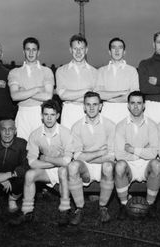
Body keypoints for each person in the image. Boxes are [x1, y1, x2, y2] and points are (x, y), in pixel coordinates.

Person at [10, 100, 73, 226]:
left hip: (66, 170)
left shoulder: (66, 132)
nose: (49, 118)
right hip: (50, 168)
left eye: (52, 115)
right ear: (41, 116)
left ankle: (65, 210)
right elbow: (32, 162)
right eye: (46, 114)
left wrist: (47, 159)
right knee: (30, 175)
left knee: (62, 170)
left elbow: (66, 161)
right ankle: (27, 212)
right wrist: (54, 163)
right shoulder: (35, 134)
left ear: (58, 116)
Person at [68, 91, 116, 224]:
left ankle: (103, 207)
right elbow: (76, 155)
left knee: (108, 166)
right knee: (72, 167)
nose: (91, 108)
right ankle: (79, 209)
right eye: (88, 104)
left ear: (100, 106)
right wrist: (99, 153)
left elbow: (111, 155)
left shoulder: (110, 125)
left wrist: (87, 156)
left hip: (103, 163)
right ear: (83, 106)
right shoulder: (76, 126)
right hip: (87, 166)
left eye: (95, 104)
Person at [114, 91, 160, 219]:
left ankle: (150, 205)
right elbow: (119, 155)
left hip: (147, 166)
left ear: (144, 105)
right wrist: (142, 152)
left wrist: (132, 149)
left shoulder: (152, 125)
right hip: (129, 165)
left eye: (139, 103)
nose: (136, 106)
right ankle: (123, 205)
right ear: (128, 105)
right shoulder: (120, 126)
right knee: (119, 165)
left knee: (156, 164)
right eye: (132, 103)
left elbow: (154, 153)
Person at [8, 37, 54, 141]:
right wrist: (38, 89)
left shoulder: (46, 71)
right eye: (28, 49)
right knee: (22, 149)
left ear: (38, 52)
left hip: (40, 113)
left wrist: (24, 92)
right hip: (22, 113)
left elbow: (48, 96)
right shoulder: (14, 72)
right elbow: (15, 96)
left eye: (34, 49)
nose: (31, 52)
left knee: (40, 149)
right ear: (23, 51)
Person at [56, 34, 97, 129]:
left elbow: (95, 98)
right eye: (75, 48)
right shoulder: (61, 70)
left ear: (86, 50)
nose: (78, 52)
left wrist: (71, 96)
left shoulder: (95, 72)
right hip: (68, 114)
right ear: (70, 50)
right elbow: (62, 95)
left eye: (81, 48)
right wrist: (87, 92)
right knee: (68, 143)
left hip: (88, 113)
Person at [96, 37, 139, 124]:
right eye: (113, 47)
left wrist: (109, 98)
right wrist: (121, 93)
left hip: (126, 112)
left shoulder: (132, 70)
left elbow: (133, 96)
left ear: (124, 52)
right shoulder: (101, 71)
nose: (117, 50)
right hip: (106, 112)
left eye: (120, 47)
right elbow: (99, 95)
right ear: (109, 52)